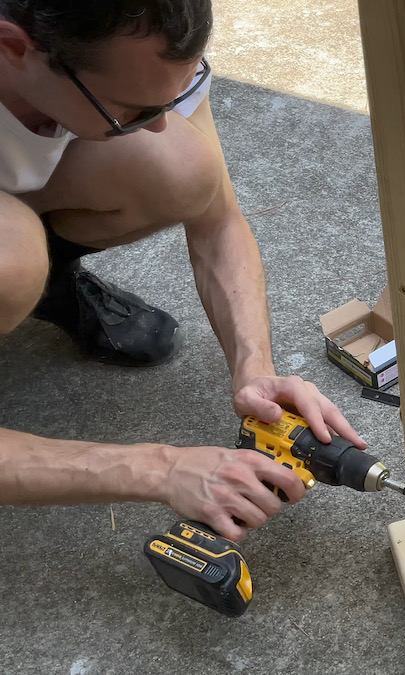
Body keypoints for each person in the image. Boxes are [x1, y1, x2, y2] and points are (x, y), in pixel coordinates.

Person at [0, 0, 364, 541]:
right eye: (134, 110)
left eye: (173, 96)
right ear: (13, 49)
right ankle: (22, 285)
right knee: (11, 262)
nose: (161, 123)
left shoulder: (140, 45)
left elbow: (219, 223)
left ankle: (46, 285)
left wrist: (254, 369)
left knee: (188, 168)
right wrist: (161, 468)